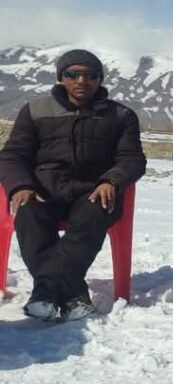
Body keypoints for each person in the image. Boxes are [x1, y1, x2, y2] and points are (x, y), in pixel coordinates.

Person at [0, 49, 146, 321]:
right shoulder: (35, 111)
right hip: (43, 191)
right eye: (73, 74)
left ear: (99, 79)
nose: (82, 81)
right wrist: (20, 186)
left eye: (90, 75)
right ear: (61, 77)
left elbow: (132, 159)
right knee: (28, 213)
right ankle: (74, 294)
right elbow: (12, 156)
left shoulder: (121, 115)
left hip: (93, 192)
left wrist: (111, 180)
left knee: (93, 213)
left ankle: (45, 292)